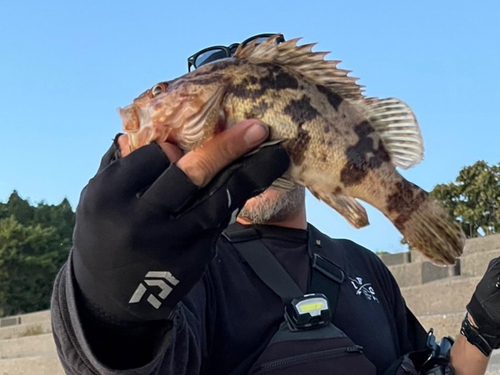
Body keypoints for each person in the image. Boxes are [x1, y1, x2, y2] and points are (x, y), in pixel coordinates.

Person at [51, 34, 500, 375]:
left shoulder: (365, 267)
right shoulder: (191, 276)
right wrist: (110, 310)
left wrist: (479, 327)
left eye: (160, 91)